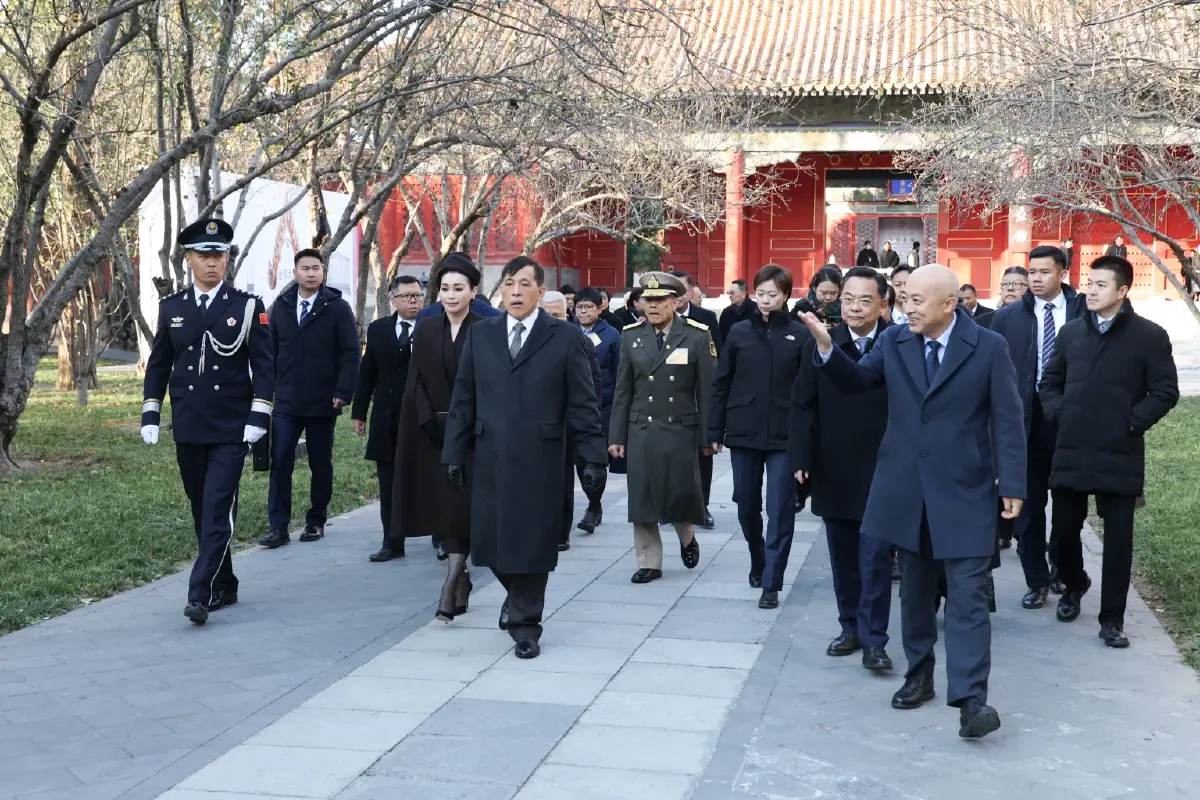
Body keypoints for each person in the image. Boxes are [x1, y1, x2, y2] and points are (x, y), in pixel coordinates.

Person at [797, 264, 1026, 739]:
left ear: (950, 303)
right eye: (905, 298)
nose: (907, 306)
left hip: (965, 490)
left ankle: (970, 700)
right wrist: (825, 346)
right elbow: (858, 382)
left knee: (967, 598)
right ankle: (919, 674)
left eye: (918, 299)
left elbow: (1008, 420)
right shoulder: (895, 342)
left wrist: (1013, 485)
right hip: (905, 489)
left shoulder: (988, 347)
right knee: (916, 593)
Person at [442, 256, 607, 659]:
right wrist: (453, 453)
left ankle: (526, 624)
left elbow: (584, 404)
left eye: (524, 285)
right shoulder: (481, 335)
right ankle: (516, 596)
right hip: (490, 454)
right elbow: (464, 398)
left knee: (533, 542)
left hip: (542, 457)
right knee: (490, 541)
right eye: (509, 284)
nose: (515, 292)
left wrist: (592, 458)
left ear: (539, 290)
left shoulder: (566, 338)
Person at [1040, 255, 1179, 648]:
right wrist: (1059, 413)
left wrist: (1131, 423)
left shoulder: (1149, 336)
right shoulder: (1070, 334)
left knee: (1119, 541)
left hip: (1120, 450)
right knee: (1062, 534)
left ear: (1122, 291)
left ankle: (1112, 618)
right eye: (1089, 282)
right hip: (1072, 447)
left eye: (1101, 285)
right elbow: (1050, 381)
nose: (1091, 290)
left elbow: (1165, 391)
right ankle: (1074, 583)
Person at [140, 218, 273, 625]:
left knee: (218, 509)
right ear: (189, 260)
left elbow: (265, 367)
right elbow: (160, 363)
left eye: (219, 255)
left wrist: (259, 414)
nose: (212, 263)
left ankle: (201, 593)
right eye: (203, 255)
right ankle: (226, 582)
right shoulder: (173, 308)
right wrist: (151, 412)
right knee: (202, 509)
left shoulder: (247, 307)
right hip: (190, 424)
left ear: (228, 258)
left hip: (233, 427)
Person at [791, 266, 893, 668]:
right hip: (835, 464)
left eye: (865, 300)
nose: (853, 307)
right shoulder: (822, 341)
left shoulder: (897, 343)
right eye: (848, 298)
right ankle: (849, 626)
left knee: (877, 557)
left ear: (883, 304)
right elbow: (803, 403)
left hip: (884, 468)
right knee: (844, 555)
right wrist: (801, 457)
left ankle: (875, 639)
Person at [989, 246, 1086, 608]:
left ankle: (1063, 572)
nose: (1036, 278)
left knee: (1067, 507)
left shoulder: (1083, 311)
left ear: (1062, 273)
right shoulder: (1009, 317)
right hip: (1024, 420)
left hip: (1067, 419)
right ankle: (1036, 580)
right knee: (1026, 507)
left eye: (1044, 272)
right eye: (1032, 272)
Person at [710, 265, 806, 607]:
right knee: (746, 503)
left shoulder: (799, 333)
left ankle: (772, 583)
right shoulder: (738, 332)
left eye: (774, 294)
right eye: (761, 293)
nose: (766, 300)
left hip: (785, 433)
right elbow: (721, 383)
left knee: (779, 508)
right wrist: (714, 430)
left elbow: (809, 393)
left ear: (785, 296)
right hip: (744, 428)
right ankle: (757, 554)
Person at [394, 255, 484, 620]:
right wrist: (426, 421)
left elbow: (488, 386)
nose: (450, 295)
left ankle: (451, 581)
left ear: (473, 292)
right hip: (433, 432)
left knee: (463, 509)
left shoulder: (485, 329)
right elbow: (415, 380)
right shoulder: (427, 328)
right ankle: (457, 575)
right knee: (445, 510)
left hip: (474, 436)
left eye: (458, 289)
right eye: (444, 288)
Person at [609, 271, 715, 583]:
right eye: (647, 300)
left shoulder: (696, 335)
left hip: (680, 427)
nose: (652, 306)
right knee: (641, 495)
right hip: (641, 426)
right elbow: (623, 390)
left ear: (676, 302)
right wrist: (616, 435)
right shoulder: (631, 335)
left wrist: (710, 436)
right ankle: (649, 561)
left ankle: (687, 537)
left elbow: (706, 391)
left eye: (660, 300)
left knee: (678, 491)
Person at [259, 249, 360, 549]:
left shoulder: (337, 307)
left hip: (322, 401)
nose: (312, 273)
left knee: (321, 463)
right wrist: (267, 390)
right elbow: (268, 352)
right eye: (306, 268)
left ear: (323, 271)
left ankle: (316, 520)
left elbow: (351, 353)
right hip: (286, 402)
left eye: (317, 268)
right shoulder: (281, 306)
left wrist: (343, 392)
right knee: (280, 463)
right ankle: (278, 527)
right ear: (296, 272)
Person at [352, 275, 423, 562]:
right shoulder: (379, 329)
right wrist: (359, 413)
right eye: (406, 296)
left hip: (423, 417)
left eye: (417, 296)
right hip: (386, 417)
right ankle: (392, 541)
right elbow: (367, 372)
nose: (413, 301)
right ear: (393, 300)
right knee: (389, 481)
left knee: (430, 479)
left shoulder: (433, 326)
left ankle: (444, 537)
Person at [540, 291, 603, 552]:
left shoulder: (576, 339)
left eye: (556, 314)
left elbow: (593, 385)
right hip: (536, 421)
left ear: (566, 315)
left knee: (563, 480)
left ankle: (561, 533)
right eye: (546, 314)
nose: (551, 318)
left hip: (567, 422)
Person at [673, 271, 721, 528]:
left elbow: (717, 357)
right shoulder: (658, 319)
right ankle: (675, 507)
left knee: (703, 456)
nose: (677, 295)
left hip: (699, 398)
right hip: (669, 399)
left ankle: (702, 507)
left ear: (691, 292)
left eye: (682, 289)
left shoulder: (706, 319)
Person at [573, 288, 621, 532]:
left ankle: (593, 506)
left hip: (602, 406)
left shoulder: (611, 335)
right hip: (573, 406)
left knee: (594, 460)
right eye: (579, 307)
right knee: (578, 460)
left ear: (599, 308)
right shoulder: (568, 332)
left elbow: (620, 371)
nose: (583, 311)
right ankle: (594, 503)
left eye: (588, 307)